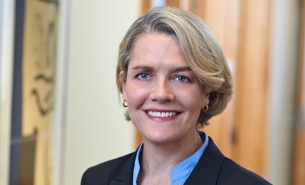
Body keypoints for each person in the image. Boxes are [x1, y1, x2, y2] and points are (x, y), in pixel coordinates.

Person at [81, 6, 271, 185]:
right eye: (144, 75)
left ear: (207, 92)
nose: (161, 94)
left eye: (181, 78)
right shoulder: (96, 179)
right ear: (124, 85)